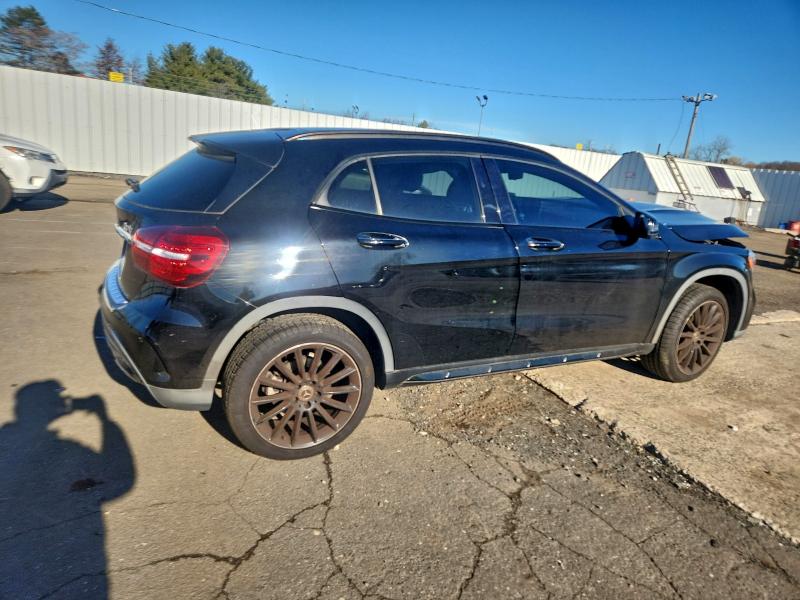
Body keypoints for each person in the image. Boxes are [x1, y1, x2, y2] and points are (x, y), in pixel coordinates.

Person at [0, 380, 134, 598]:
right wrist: (104, 418)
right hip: (66, 561)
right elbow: (123, 480)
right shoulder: (68, 448)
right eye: (58, 399)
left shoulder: (9, 440)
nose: (64, 402)